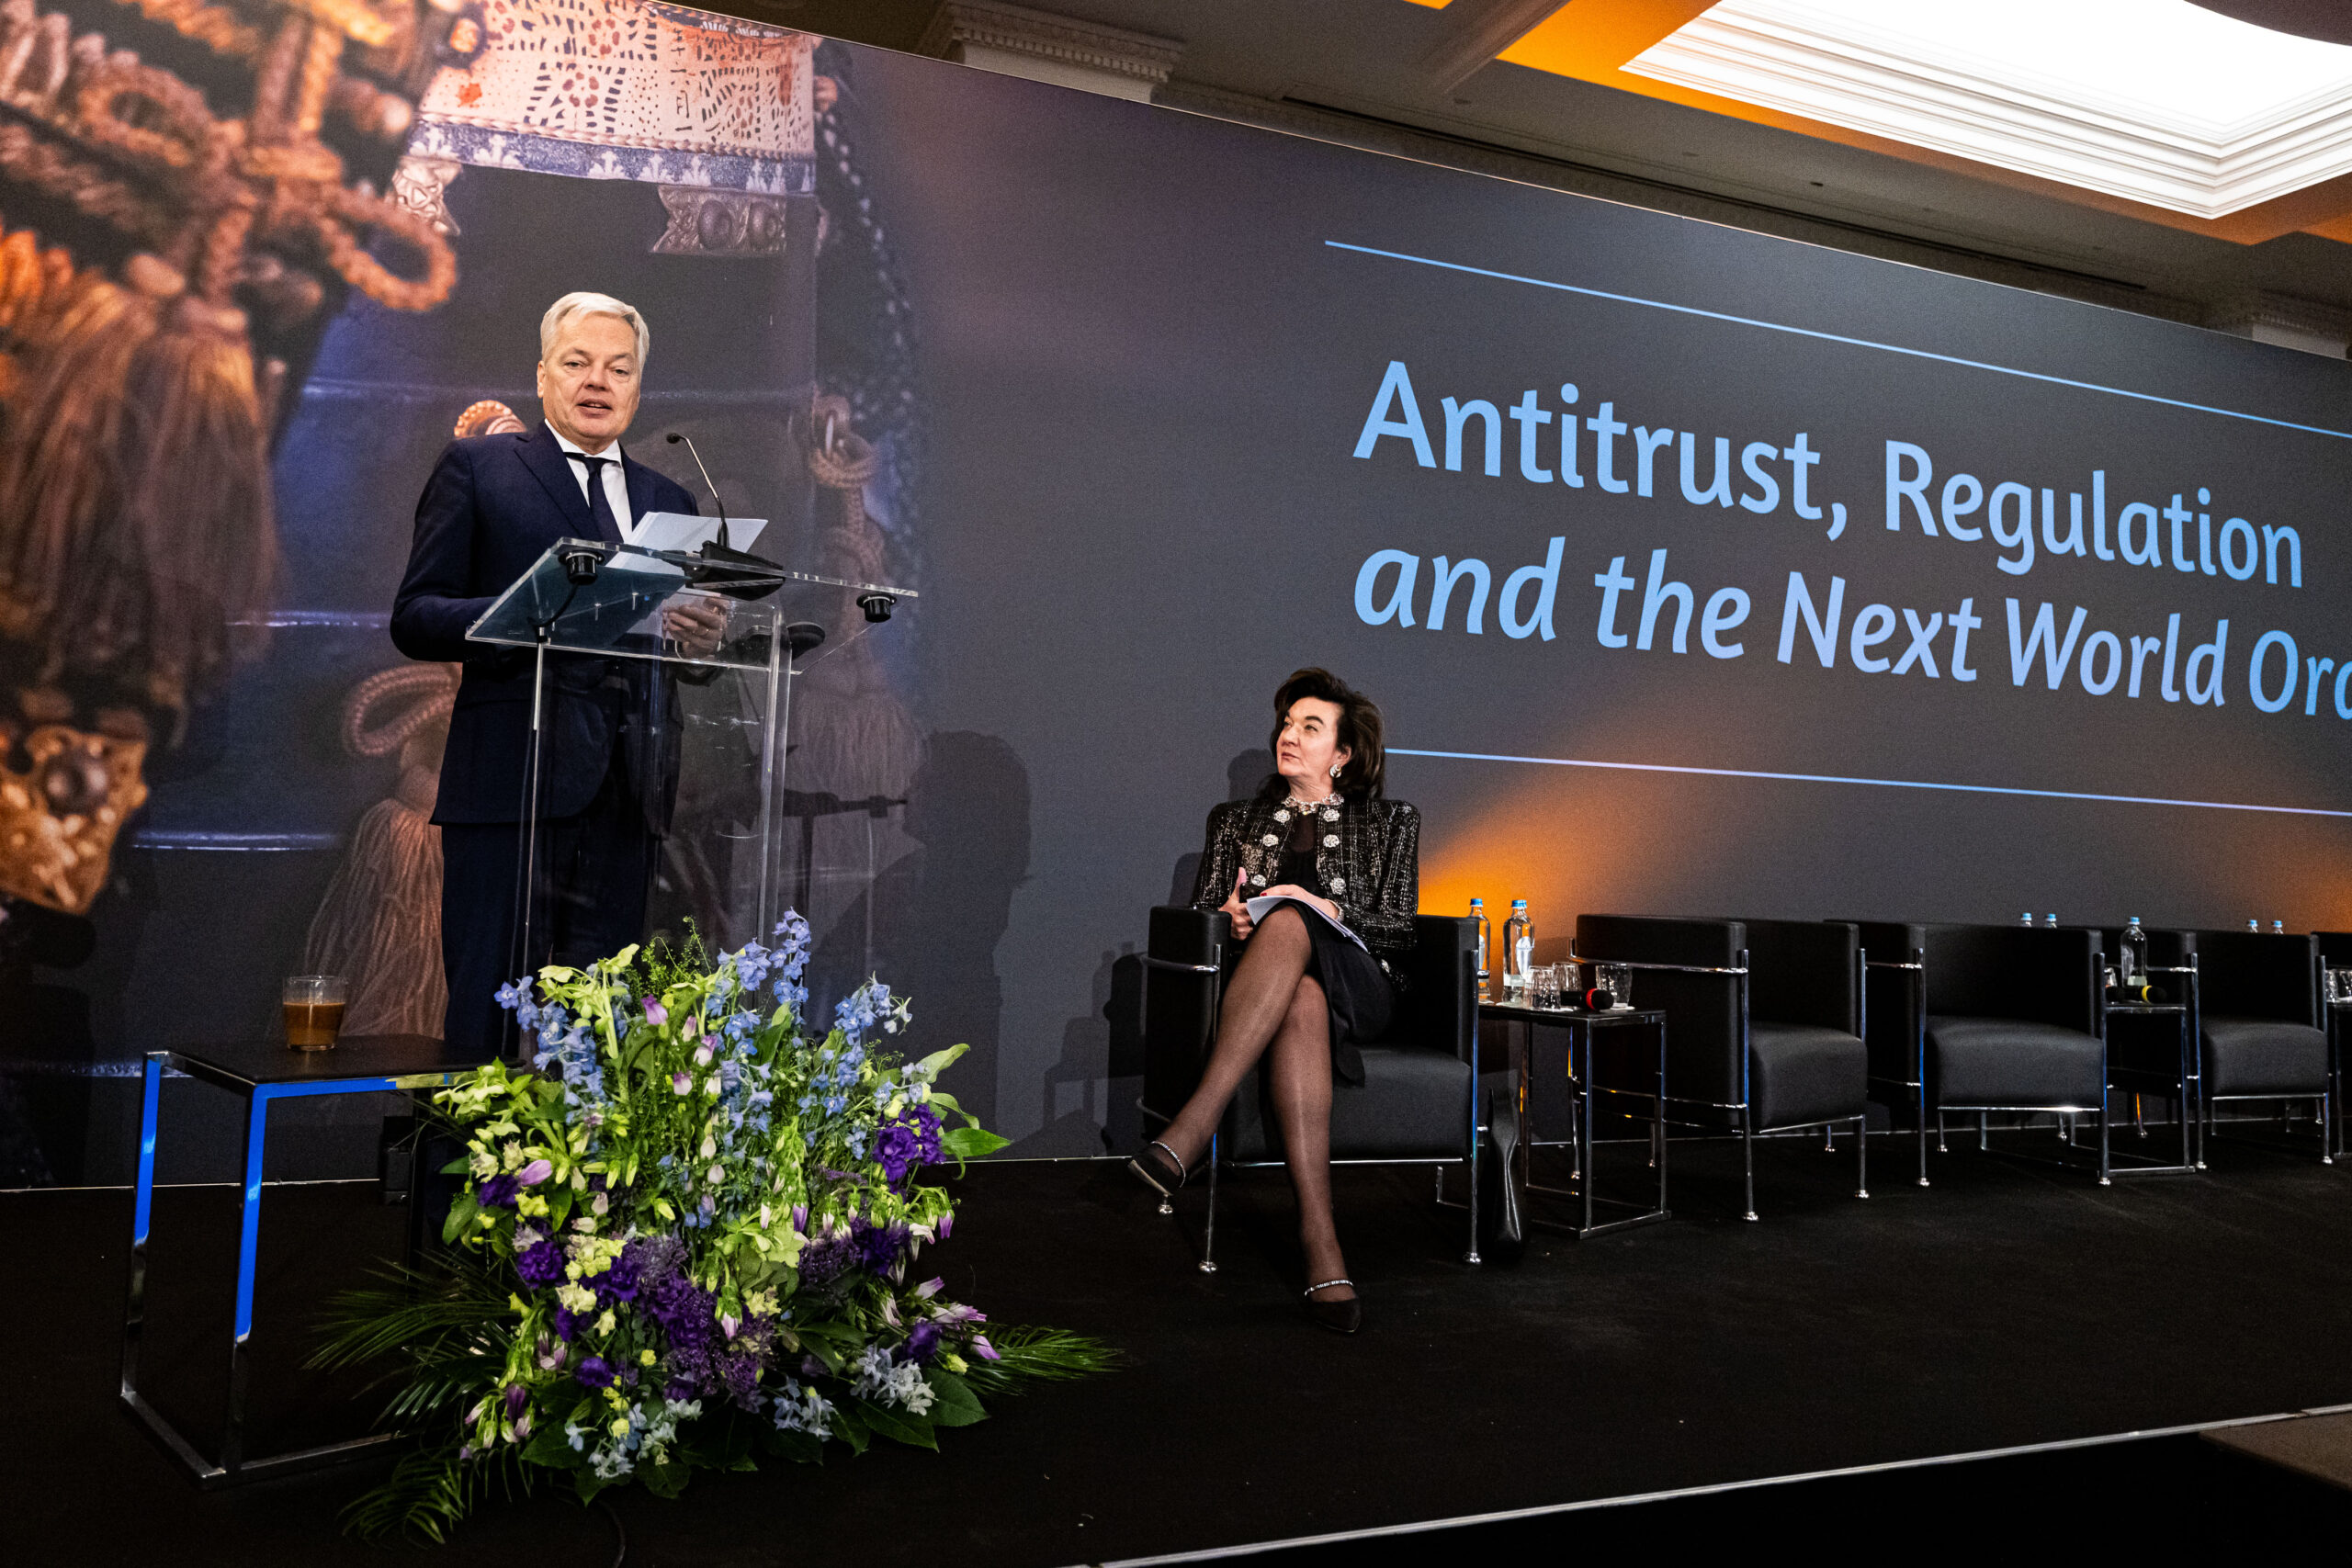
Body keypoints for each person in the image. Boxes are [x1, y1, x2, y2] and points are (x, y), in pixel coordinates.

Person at [390, 292, 728, 1055]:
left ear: (638, 387)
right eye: (577, 363)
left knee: (598, 1037)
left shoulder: (669, 499)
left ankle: (589, 1144)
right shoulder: (479, 468)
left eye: (618, 368)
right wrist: (525, 613)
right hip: (511, 786)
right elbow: (415, 615)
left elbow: (662, 643)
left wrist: (697, 642)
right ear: (543, 376)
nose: (597, 381)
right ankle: (471, 1141)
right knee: (487, 1027)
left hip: (627, 799)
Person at [1130, 668, 1419, 1335]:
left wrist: (1326, 908)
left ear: (1342, 753)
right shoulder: (1235, 821)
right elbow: (1203, 914)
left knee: (1290, 918)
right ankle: (1322, 1245)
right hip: (1272, 990)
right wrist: (1228, 918)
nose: (1289, 736)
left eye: (1309, 727)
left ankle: (1192, 1127)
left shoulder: (1391, 821)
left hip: (1363, 984)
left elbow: (1401, 926)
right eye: (1287, 724)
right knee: (1300, 999)